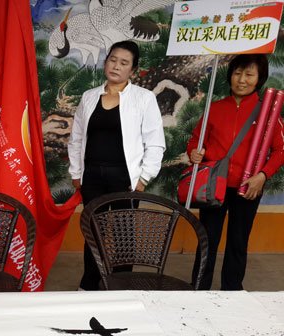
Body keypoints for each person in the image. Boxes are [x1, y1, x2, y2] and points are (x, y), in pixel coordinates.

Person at [67, 40, 165, 290]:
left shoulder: (143, 98)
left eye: (124, 63)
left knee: (124, 235)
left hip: (125, 178)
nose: (116, 66)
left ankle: (122, 285)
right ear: (106, 61)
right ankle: (89, 284)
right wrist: (76, 173)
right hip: (92, 177)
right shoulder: (89, 97)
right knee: (93, 232)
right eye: (112, 60)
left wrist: (144, 178)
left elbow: (155, 142)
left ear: (133, 69)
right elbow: (76, 138)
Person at [188, 54, 284, 290]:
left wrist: (262, 176)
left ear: (259, 79)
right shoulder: (215, 108)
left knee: (238, 242)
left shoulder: (267, 113)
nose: (242, 80)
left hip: (248, 186)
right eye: (237, 73)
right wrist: (194, 152)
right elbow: (195, 140)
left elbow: (280, 150)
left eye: (249, 74)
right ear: (230, 76)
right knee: (207, 240)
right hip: (213, 185)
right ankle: (198, 289)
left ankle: (231, 291)